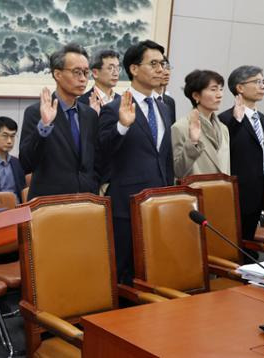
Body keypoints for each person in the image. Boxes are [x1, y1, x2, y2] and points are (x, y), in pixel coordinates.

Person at [98, 40, 174, 284]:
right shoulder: (113, 108)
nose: (160, 69)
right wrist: (122, 126)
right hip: (127, 204)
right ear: (133, 69)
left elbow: (165, 156)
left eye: (162, 64)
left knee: (152, 269)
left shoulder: (164, 109)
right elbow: (102, 152)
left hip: (158, 201)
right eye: (153, 64)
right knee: (125, 272)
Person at [19, 43, 100, 201]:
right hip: (50, 204)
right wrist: (44, 126)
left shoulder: (89, 114)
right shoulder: (36, 112)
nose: (83, 79)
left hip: (85, 201)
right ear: (57, 74)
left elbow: (96, 161)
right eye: (77, 72)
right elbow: (26, 162)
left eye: (86, 72)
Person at [219, 65, 264, 252]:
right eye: (257, 82)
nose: (263, 86)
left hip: (259, 192)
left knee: (249, 247)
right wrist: (237, 121)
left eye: (263, 81)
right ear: (240, 88)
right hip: (238, 195)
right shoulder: (226, 119)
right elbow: (225, 152)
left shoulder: (263, 119)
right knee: (234, 249)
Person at [172, 70, 230, 178]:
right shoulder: (181, 127)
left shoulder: (223, 129)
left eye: (221, 89)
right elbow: (177, 171)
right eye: (213, 89)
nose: (220, 95)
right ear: (196, 96)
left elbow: (226, 169)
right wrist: (193, 142)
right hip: (196, 193)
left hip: (222, 192)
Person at [154, 55, 176, 123]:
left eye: (168, 68)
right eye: (163, 68)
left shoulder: (170, 101)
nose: (167, 73)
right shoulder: (145, 100)